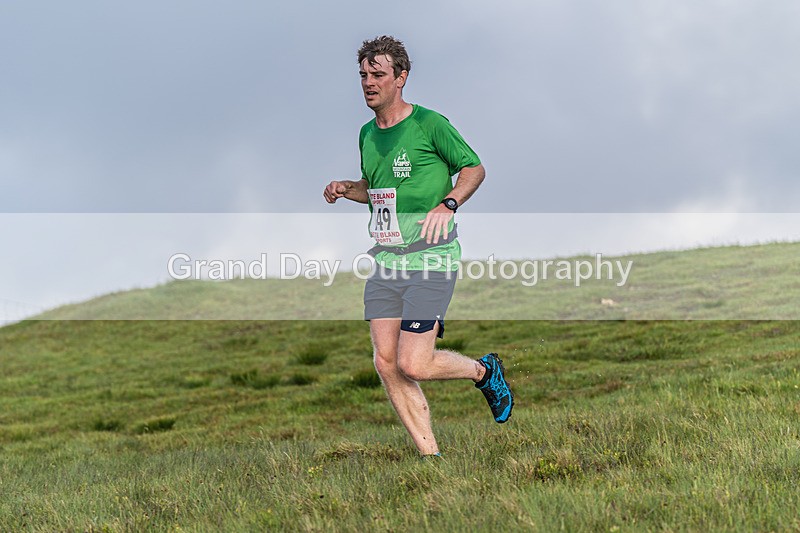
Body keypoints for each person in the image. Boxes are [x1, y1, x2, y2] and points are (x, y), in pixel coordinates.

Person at [323, 36, 513, 457]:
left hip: (432, 257)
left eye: (378, 75)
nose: (368, 83)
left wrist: (449, 203)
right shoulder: (367, 135)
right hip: (386, 259)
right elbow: (377, 189)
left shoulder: (430, 124)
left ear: (401, 78)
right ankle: (432, 458)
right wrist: (346, 189)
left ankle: (484, 371)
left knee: (414, 363)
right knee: (386, 362)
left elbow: (474, 168)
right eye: (363, 76)